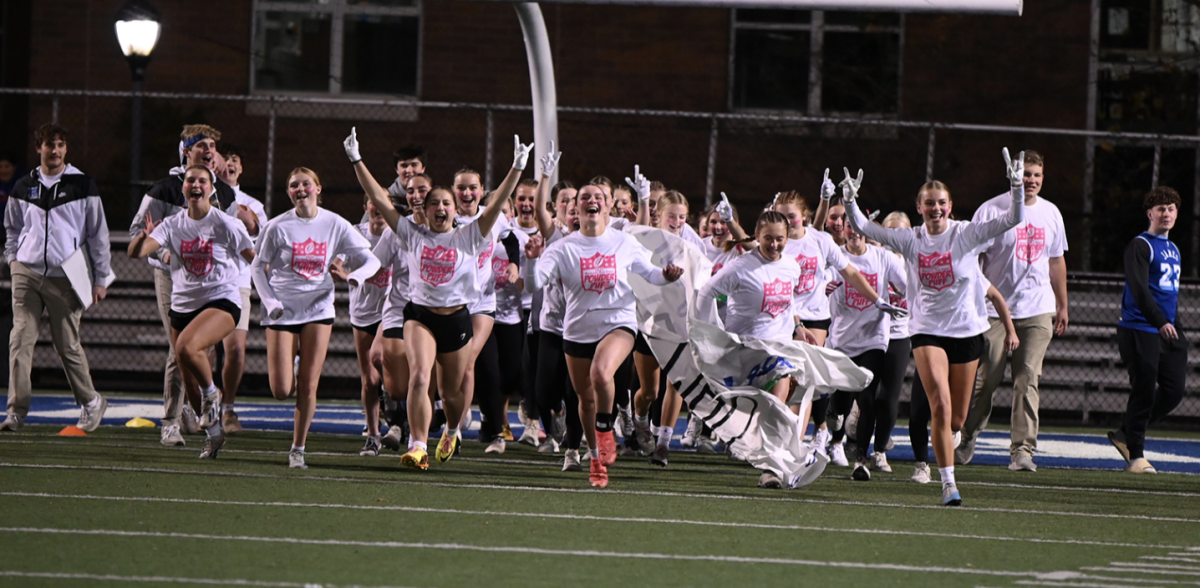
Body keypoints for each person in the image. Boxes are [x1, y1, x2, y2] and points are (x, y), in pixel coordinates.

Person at [842, 148, 1027, 506]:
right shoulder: (910, 239)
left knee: (956, 418)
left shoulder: (966, 234)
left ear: (950, 204)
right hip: (926, 331)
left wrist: (1016, 186)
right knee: (939, 405)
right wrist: (851, 201)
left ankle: (952, 436)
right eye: (929, 203)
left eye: (941, 202)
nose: (936, 208)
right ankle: (948, 483)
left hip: (967, 332)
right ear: (919, 207)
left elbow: (1012, 220)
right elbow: (864, 227)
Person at [346, 128, 525, 470]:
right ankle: (417, 445)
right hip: (419, 317)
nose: (440, 207)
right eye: (434, 204)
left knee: (451, 392)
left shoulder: (471, 235)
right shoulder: (412, 233)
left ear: (456, 210)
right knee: (419, 377)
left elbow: (499, 200)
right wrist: (356, 159)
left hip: (457, 319)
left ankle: (453, 429)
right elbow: (380, 198)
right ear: (424, 210)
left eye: (446, 203)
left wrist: (516, 167)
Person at [524, 173, 684, 488]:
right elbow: (534, 284)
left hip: (619, 322)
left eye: (597, 197)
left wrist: (668, 275)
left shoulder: (624, 241)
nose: (591, 201)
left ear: (608, 205)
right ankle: (596, 460)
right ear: (575, 207)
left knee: (601, 373)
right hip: (577, 330)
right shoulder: (562, 248)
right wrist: (531, 261)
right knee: (584, 400)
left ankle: (605, 428)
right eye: (584, 197)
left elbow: (651, 275)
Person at [252, 166, 381, 469]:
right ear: (288, 193)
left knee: (309, 386)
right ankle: (294, 364)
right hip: (282, 309)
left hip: (318, 309)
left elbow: (371, 260)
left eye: (306, 184)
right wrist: (270, 302)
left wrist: (353, 276)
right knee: (282, 390)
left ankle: (298, 448)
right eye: (294, 185)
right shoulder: (277, 226)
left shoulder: (334, 223)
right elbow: (258, 268)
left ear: (318, 189)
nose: (300, 189)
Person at [127, 165, 256, 458]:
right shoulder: (172, 224)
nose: (195, 184)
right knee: (190, 384)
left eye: (202, 180)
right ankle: (213, 435)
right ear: (183, 188)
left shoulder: (226, 223)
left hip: (221, 301)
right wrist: (143, 237)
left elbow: (254, 259)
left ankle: (214, 394)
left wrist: (275, 290)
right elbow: (136, 252)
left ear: (211, 189)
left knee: (186, 346)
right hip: (183, 306)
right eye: (190, 181)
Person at [958, 150, 1068, 472]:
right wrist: (975, 298)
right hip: (993, 310)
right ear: (1012, 174)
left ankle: (1023, 450)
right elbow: (973, 259)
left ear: (1042, 177)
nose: (1030, 180)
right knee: (986, 379)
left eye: (1036, 175)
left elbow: (1056, 260)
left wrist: (1062, 304)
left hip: (1037, 309)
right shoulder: (990, 210)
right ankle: (966, 437)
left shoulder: (1051, 213)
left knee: (1027, 378)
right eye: (1025, 174)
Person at [773, 186, 897, 467]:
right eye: (779, 216)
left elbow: (850, 271)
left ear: (803, 216)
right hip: (780, 318)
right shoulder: (774, 242)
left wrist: (877, 300)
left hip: (814, 318)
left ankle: (799, 444)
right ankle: (775, 439)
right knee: (780, 382)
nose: (785, 222)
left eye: (790, 216)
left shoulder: (820, 241)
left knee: (805, 380)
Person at [1, 123, 113, 433]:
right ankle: (16, 412)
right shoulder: (23, 186)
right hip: (27, 271)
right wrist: (13, 260)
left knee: (67, 343)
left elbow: (97, 234)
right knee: (20, 338)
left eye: (61, 144)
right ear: (39, 148)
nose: (56, 150)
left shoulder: (82, 184)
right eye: (50, 144)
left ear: (66, 149)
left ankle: (91, 401)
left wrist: (100, 278)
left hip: (67, 274)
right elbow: (12, 228)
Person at [694, 210, 800, 488]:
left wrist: (797, 328)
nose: (774, 245)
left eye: (780, 239)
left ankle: (770, 469)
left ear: (788, 238)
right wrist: (707, 334)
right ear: (757, 236)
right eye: (768, 239)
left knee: (776, 407)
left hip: (778, 351)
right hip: (744, 351)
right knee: (748, 412)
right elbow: (705, 293)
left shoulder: (792, 267)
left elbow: (788, 303)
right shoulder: (741, 266)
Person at [1108, 186, 1189, 474]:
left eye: (1171, 208)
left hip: (1166, 329)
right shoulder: (1140, 245)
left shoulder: (1173, 248)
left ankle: (1126, 432)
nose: (1166, 213)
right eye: (1160, 209)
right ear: (1149, 213)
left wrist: (1173, 324)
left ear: (1176, 213)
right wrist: (1160, 321)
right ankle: (1136, 456)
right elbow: (1140, 290)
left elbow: (1169, 293)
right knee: (1143, 389)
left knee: (1174, 390)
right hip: (1140, 328)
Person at [825, 222, 908, 481]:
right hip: (842, 341)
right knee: (842, 402)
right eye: (848, 226)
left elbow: (908, 287)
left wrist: (900, 296)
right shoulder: (834, 257)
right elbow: (815, 287)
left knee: (867, 398)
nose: (854, 231)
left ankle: (860, 461)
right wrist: (822, 290)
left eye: (858, 225)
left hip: (874, 340)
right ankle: (833, 410)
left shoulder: (883, 257)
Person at [212, 144, 268, 435]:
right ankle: (202, 406)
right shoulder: (204, 193)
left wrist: (251, 223)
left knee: (235, 350)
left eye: (236, 159)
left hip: (237, 284)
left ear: (241, 168)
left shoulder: (252, 204)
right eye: (227, 159)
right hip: (205, 282)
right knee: (203, 350)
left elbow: (261, 242)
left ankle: (227, 408)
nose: (230, 163)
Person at [331, 197, 391, 457]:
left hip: (392, 312)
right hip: (364, 312)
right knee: (370, 379)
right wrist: (343, 273)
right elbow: (337, 262)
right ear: (366, 206)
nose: (377, 208)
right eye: (372, 202)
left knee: (391, 374)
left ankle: (400, 420)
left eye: (384, 203)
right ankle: (374, 434)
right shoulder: (355, 234)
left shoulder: (398, 234)